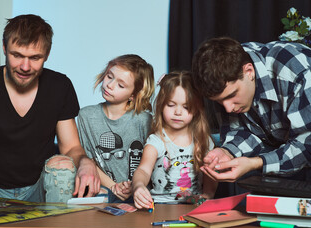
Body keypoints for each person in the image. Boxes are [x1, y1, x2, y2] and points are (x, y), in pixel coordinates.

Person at [0, 14, 100, 211]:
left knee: (64, 164)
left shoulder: (60, 86)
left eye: (35, 58)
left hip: (37, 189)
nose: (25, 66)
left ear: (47, 54)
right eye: (17, 55)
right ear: (5, 48)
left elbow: (71, 147)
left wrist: (86, 162)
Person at [191, 36, 311, 183]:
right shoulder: (226, 73)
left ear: (249, 71)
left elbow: (306, 146)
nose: (228, 108)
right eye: (219, 102)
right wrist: (227, 152)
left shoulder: (297, 72)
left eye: (232, 95)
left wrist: (256, 162)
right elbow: (244, 132)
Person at [132, 71, 217, 209]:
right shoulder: (156, 141)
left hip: (194, 208)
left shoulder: (204, 141)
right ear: (161, 105)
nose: (178, 112)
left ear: (196, 109)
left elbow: (211, 173)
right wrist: (139, 186)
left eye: (186, 107)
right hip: (159, 206)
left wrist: (207, 195)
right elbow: (143, 170)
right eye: (171, 105)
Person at [77, 54, 154, 203]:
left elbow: (151, 162)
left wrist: (134, 186)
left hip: (140, 192)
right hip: (103, 191)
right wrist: (113, 187)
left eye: (120, 85)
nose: (109, 85)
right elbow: (88, 160)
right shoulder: (86, 116)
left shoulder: (144, 120)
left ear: (133, 95)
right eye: (109, 76)